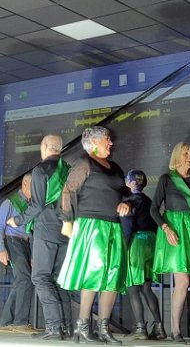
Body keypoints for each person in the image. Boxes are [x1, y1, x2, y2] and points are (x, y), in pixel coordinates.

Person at [57, 126, 131, 345]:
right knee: (93, 273)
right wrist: (67, 221)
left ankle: (104, 328)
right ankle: (82, 326)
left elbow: (126, 194)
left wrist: (126, 204)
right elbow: (67, 191)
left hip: (113, 227)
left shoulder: (115, 168)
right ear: (94, 142)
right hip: (91, 226)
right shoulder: (84, 163)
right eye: (107, 139)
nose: (111, 143)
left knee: (112, 276)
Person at [8, 134, 73, 340]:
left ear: (44, 146)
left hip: (45, 230)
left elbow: (37, 205)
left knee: (40, 277)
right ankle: (66, 328)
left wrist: (17, 220)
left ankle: (53, 327)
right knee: (59, 280)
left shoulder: (40, 170)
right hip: (66, 230)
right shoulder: (69, 169)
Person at [151, 142, 190, 344]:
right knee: (182, 282)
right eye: (185, 153)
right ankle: (176, 331)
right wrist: (166, 228)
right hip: (175, 231)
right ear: (177, 156)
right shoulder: (167, 179)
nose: (189, 156)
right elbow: (154, 209)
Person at [121, 170, 166, 340]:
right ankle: (159, 327)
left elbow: (127, 227)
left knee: (133, 287)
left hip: (136, 245)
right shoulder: (149, 201)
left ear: (131, 182)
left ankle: (140, 328)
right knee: (147, 288)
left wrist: (123, 248)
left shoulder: (129, 202)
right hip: (151, 244)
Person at [0, 173, 35, 334]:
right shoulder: (10, 202)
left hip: (25, 243)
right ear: (25, 184)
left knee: (20, 281)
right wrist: (1, 249)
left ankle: (6, 322)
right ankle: (20, 322)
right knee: (25, 279)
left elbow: (31, 232)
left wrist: (33, 254)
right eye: (34, 186)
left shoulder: (32, 204)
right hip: (12, 241)